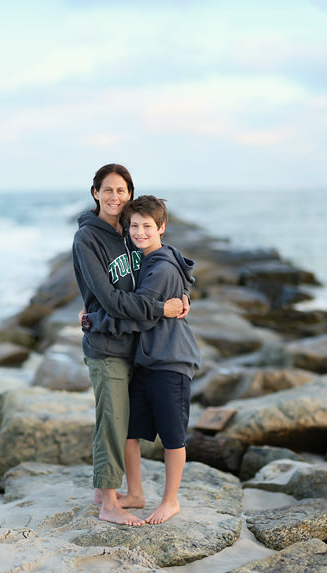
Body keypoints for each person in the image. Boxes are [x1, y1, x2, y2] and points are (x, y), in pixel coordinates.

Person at [72, 164, 187, 526]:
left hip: (134, 348)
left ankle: (115, 492)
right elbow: (110, 300)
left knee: (124, 427)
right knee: (112, 423)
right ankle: (108, 503)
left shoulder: (128, 232)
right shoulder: (87, 239)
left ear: (130, 195)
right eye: (107, 190)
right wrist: (159, 308)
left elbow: (162, 264)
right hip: (107, 347)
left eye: (121, 191)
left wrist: (182, 294)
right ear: (95, 193)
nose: (114, 197)